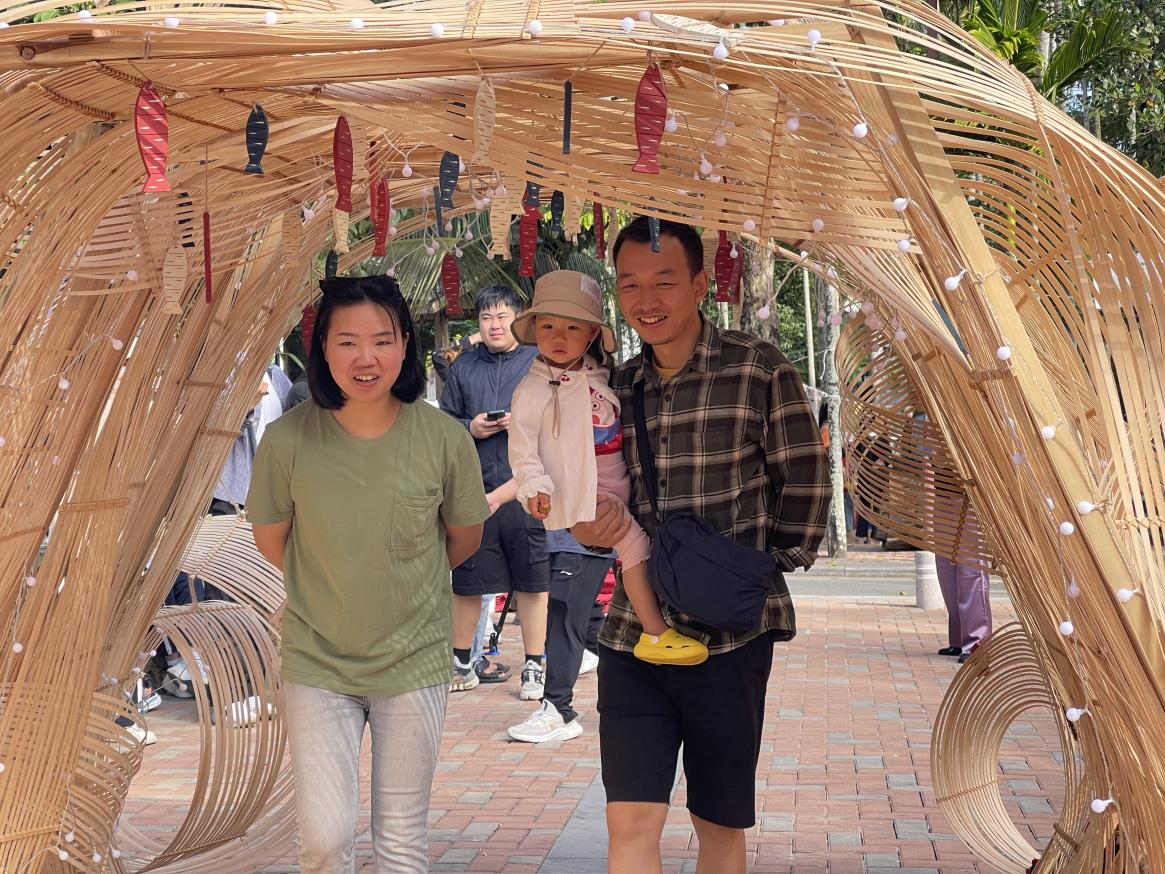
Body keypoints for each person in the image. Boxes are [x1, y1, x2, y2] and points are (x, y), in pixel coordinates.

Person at [571, 217, 831, 874]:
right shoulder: (614, 388)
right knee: (629, 819)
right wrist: (584, 525)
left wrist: (755, 570)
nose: (646, 300)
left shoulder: (756, 369)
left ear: (698, 284)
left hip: (730, 637)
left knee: (717, 821)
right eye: (629, 284)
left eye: (663, 281)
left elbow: (804, 477)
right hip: (634, 634)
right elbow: (592, 489)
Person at [247, 274, 488, 873]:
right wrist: (337, 577)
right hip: (317, 659)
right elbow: (274, 542)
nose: (366, 358)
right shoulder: (286, 439)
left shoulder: (444, 438)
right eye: (347, 341)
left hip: (413, 659)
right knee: (324, 840)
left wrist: (400, 575)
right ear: (322, 350)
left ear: (405, 345)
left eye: (382, 340)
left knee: (401, 842)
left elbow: (463, 538)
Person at [507, 270, 707, 664]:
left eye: (572, 327)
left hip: (617, 481)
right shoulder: (531, 390)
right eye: (547, 326)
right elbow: (522, 449)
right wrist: (535, 488)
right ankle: (654, 632)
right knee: (635, 545)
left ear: (592, 334)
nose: (559, 337)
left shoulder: (599, 373)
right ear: (534, 328)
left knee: (639, 544)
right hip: (584, 490)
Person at [439, 285, 550, 697]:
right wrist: (470, 427)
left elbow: (554, 423)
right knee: (468, 582)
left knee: (533, 581)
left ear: (518, 319)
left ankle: (534, 664)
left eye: (503, 316)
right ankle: (461, 662)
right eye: (486, 318)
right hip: (476, 491)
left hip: (526, 492)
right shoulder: (464, 368)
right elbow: (445, 424)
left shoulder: (536, 362)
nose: (494, 325)